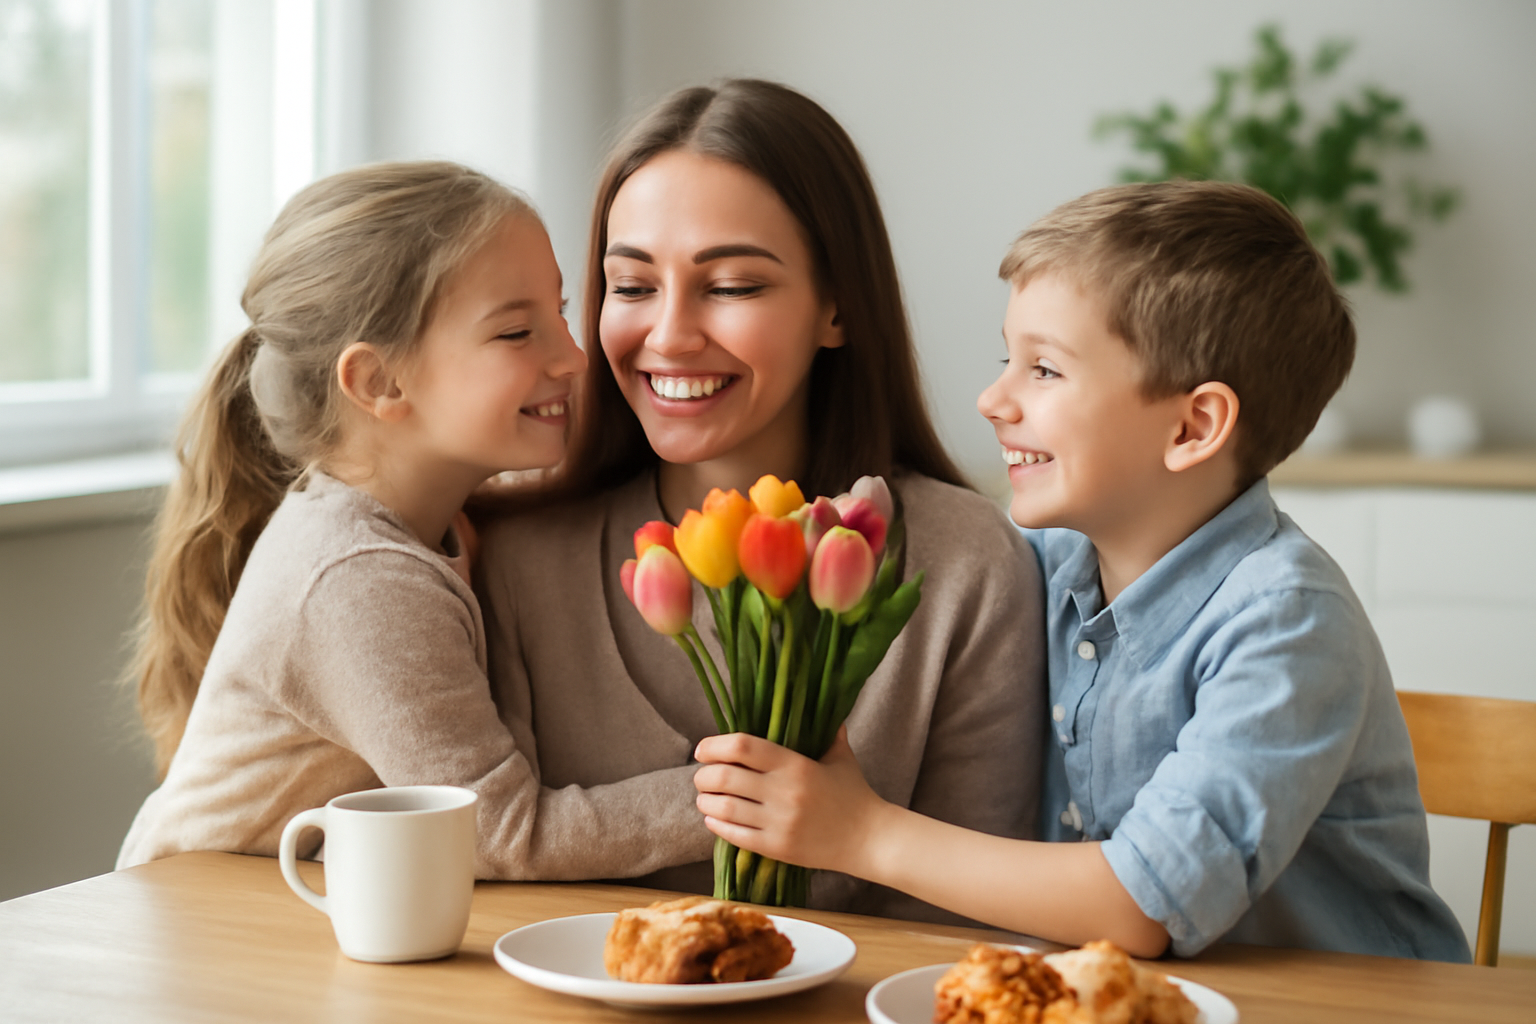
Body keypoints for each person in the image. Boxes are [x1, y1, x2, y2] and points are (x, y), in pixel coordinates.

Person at [693, 180, 1472, 961]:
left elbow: (1142, 905)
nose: (993, 399)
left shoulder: (1288, 620)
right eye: (1009, 359)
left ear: (1192, 426)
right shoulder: (1045, 565)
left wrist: (862, 834)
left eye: (1045, 371)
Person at [473, 79, 1044, 918]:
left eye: (732, 286)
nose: (668, 335)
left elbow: (967, 938)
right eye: (632, 287)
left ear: (837, 306)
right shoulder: (518, 554)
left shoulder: (967, 563)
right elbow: (496, 894)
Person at [117, 161, 593, 872]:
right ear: (378, 381)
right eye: (517, 333)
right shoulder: (359, 577)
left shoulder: (433, 528)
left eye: (561, 312)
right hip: (199, 935)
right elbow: (498, 831)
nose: (574, 357)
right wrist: (735, 804)